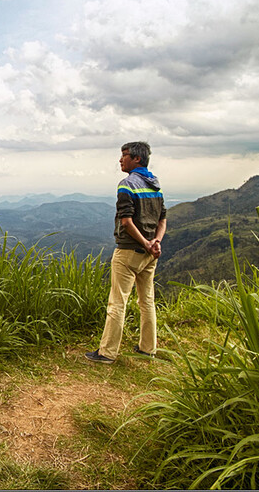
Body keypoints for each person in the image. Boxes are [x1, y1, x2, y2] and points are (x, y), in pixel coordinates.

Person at [86, 141, 167, 364]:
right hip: (150, 254)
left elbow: (127, 221)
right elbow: (162, 220)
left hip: (129, 252)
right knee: (147, 301)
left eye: (124, 155)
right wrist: (155, 242)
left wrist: (144, 242)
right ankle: (147, 348)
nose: (120, 160)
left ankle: (107, 352)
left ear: (137, 159)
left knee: (117, 302)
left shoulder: (127, 184)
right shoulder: (155, 185)